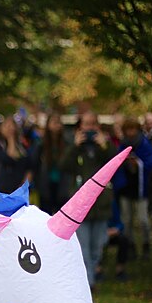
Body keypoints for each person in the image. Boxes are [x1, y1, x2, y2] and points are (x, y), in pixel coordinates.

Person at [60, 111, 116, 289]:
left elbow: (114, 165)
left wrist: (104, 146)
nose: (90, 128)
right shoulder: (74, 147)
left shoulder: (104, 147)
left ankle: (91, 274)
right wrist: (74, 146)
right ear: (80, 127)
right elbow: (63, 166)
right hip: (80, 206)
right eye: (86, 124)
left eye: (93, 124)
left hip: (101, 203)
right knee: (82, 247)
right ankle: (88, 283)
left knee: (97, 246)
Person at [115, 117, 152, 259]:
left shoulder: (144, 144)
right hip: (126, 188)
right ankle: (130, 245)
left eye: (133, 129)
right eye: (128, 129)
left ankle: (146, 244)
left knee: (143, 219)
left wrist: (137, 163)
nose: (131, 132)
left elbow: (151, 163)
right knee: (126, 220)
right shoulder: (122, 145)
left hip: (141, 188)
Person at [0, 115, 32, 194]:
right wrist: (11, 139)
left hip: (20, 188)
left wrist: (24, 185)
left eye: (12, 125)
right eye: (6, 125)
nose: (10, 128)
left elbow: (29, 167)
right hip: (2, 188)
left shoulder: (22, 147)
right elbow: (9, 158)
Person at [36, 112, 67, 214]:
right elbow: (35, 163)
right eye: (53, 122)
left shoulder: (66, 143)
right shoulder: (41, 144)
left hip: (62, 184)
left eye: (58, 122)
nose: (56, 125)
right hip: (46, 185)